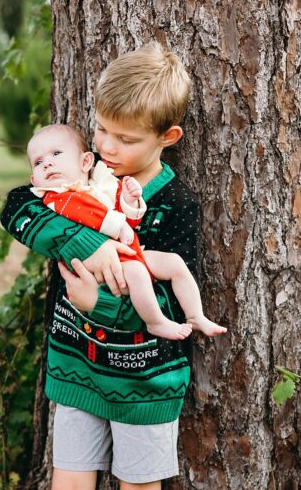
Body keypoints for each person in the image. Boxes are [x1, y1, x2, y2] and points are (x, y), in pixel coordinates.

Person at [0, 42, 211, 490]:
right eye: (99, 131)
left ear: (166, 138)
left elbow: (168, 296)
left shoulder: (175, 206)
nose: (108, 146)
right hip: (74, 367)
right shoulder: (82, 175)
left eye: (125, 137)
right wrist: (88, 242)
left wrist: (102, 301)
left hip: (146, 377)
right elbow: (18, 206)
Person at [26, 123, 227, 341]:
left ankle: (195, 315)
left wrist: (130, 201)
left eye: (56, 154)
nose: (47, 163)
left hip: (129, 252)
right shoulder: (56, 197)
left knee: (174, 263)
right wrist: (118, 224)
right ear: (34, 180)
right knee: (138, 274)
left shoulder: (98, 185)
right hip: (98, 267)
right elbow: (88, 215)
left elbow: (127, 220)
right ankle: (155, 322)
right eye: (38, 162)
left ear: (85, 162)